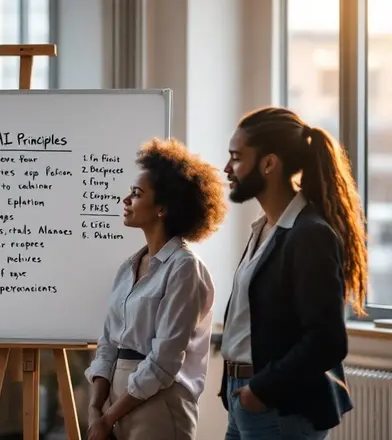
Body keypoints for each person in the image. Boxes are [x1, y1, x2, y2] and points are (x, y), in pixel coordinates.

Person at [219, 106, 364, 440]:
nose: (227, 168)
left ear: (269, 163)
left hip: (277, 406)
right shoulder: (265, 228)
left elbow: (326, 340)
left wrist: (260, 391)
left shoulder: (309, 233)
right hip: (245, 398)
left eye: (236, 157)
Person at [85, 138, 228, 440]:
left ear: (162, 208)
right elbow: (109, 342)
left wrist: (108, 417)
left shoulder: (185, 267)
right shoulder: (129, 266)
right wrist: (96, 407)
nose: (125, 200)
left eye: (136, 194)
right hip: (116, 400)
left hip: (159, 402)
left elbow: (165, 360)